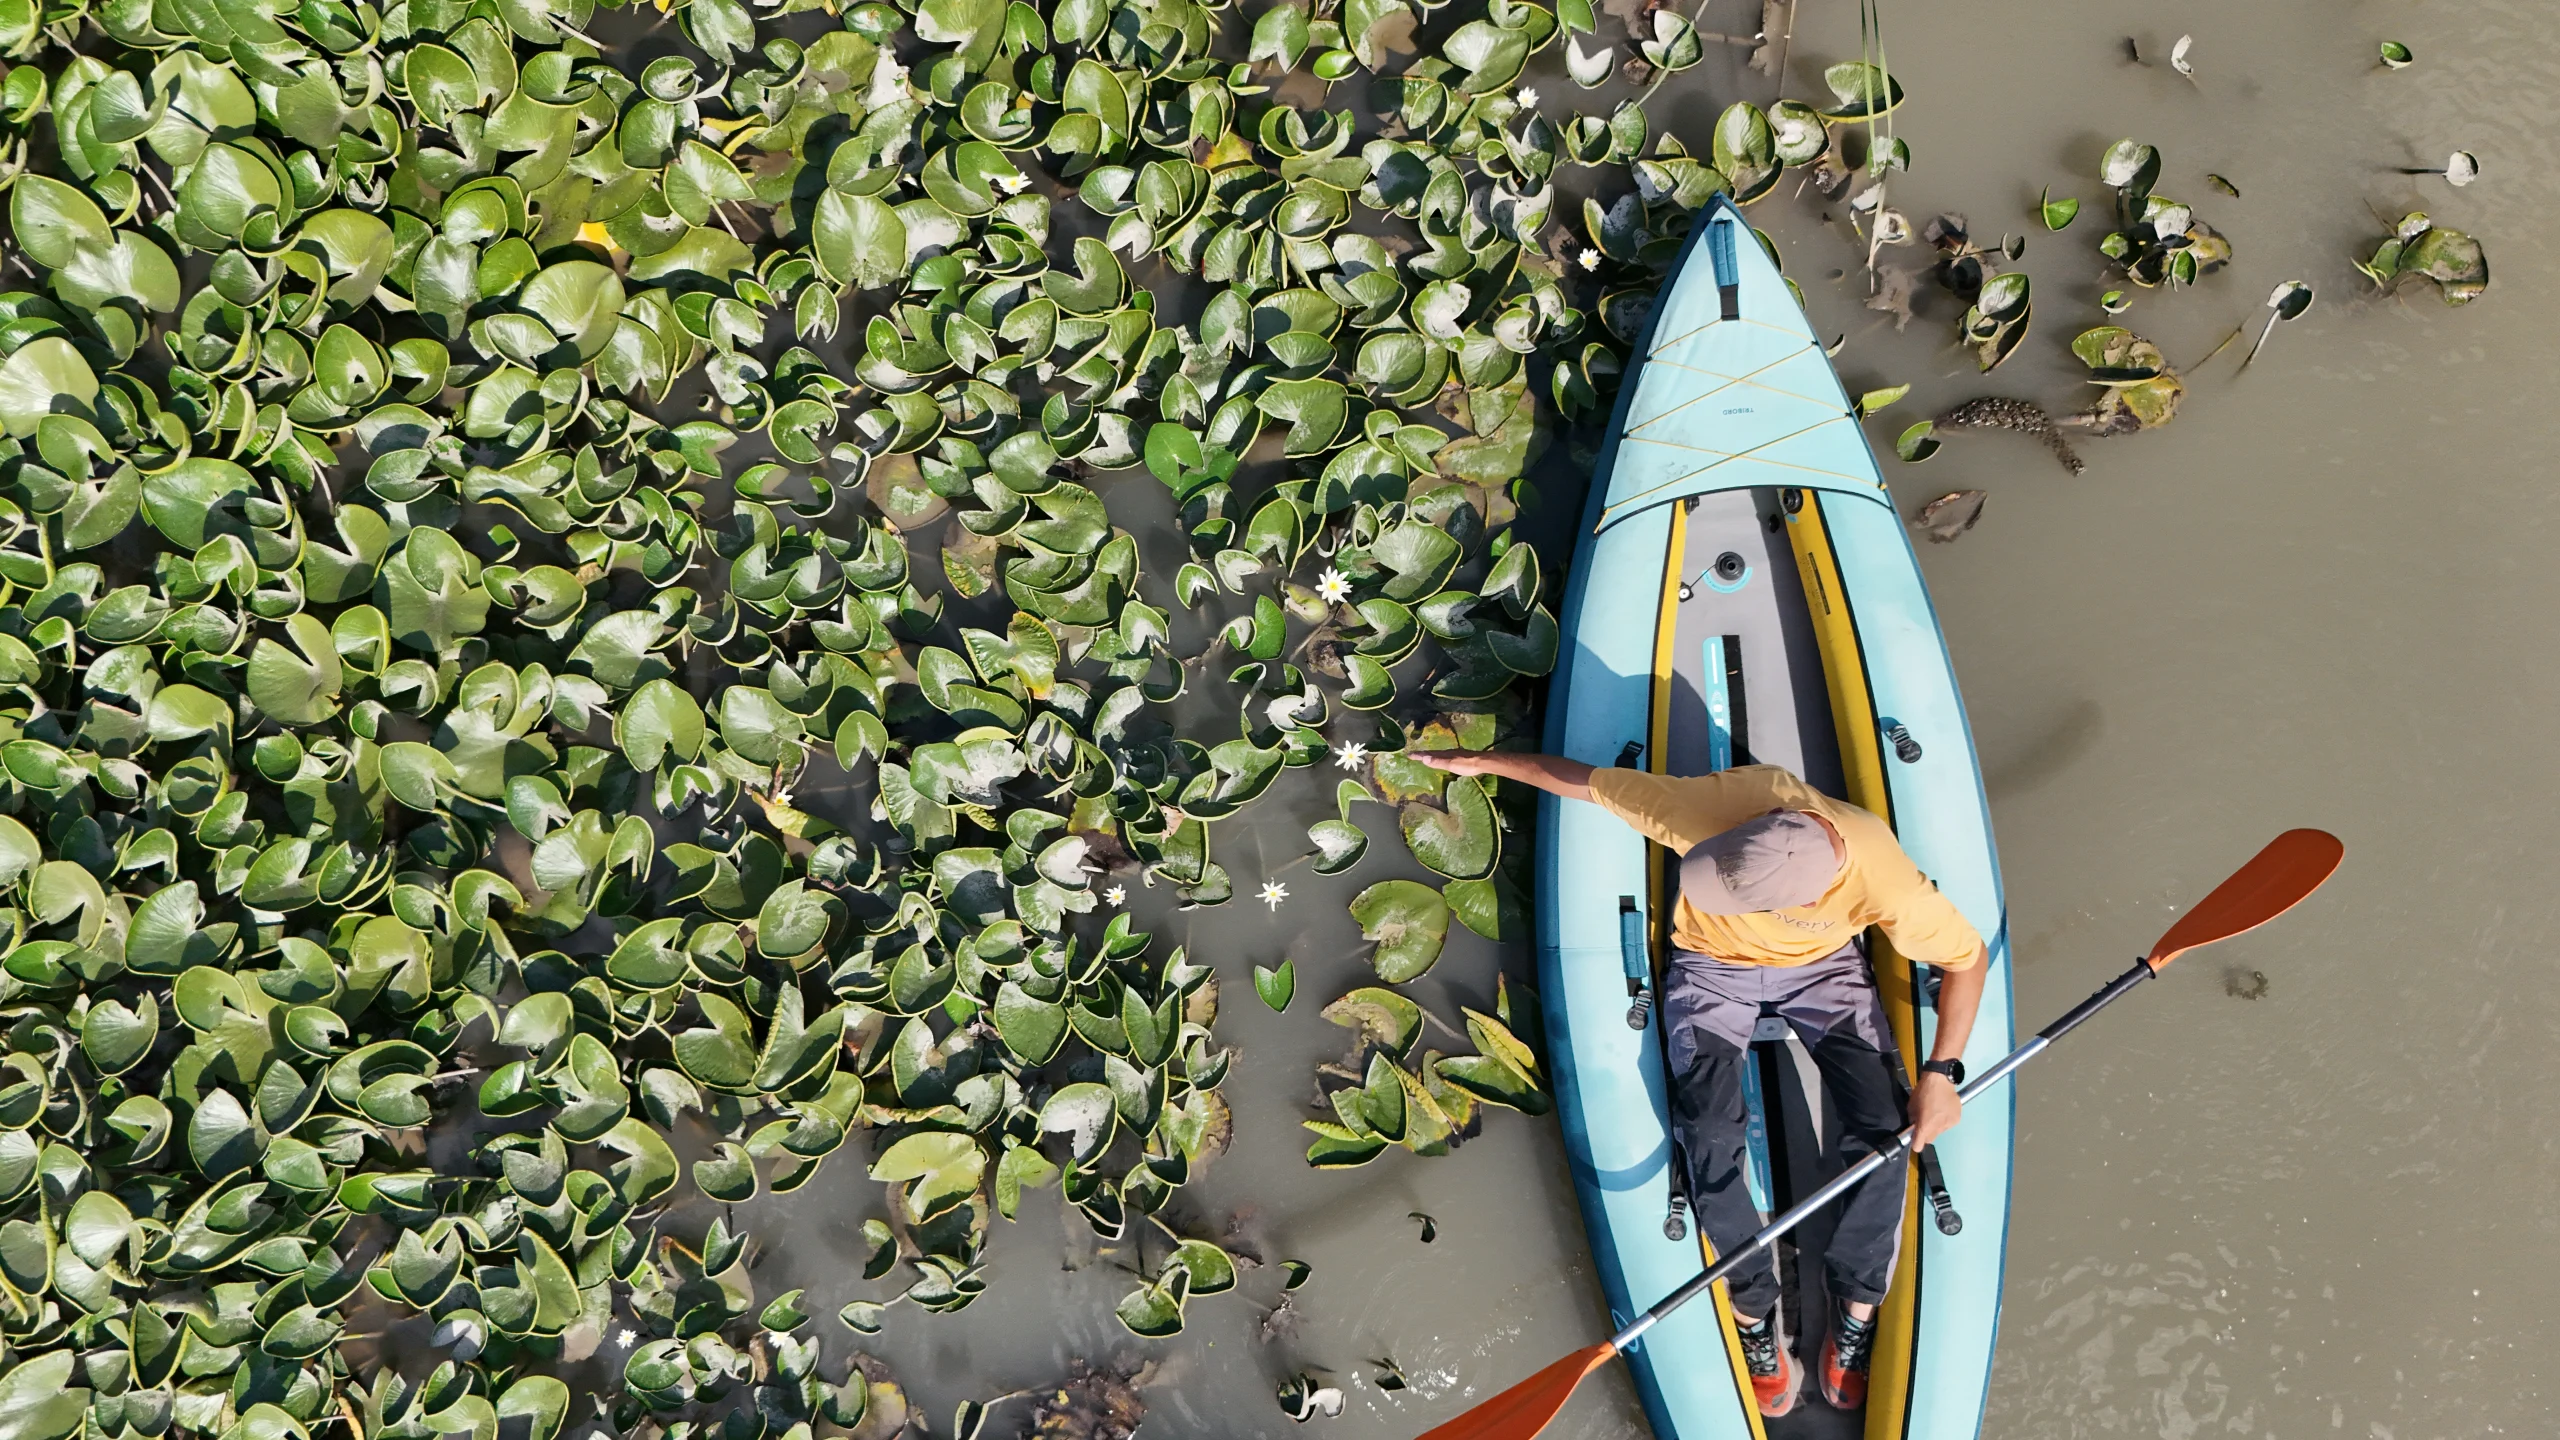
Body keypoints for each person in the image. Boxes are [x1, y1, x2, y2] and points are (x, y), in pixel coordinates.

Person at [1414, 750, 1986, 1417]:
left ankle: (1856, 1301)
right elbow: (1589, 783)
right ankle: (1751, 1308)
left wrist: (1941, 1074)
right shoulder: (1716, 804)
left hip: (1824, 971)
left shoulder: (1884, 875)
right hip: (1712, 968)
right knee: (1711, 1135)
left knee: (1890, 1135)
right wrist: (1477, 761)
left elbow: (1965, 958)